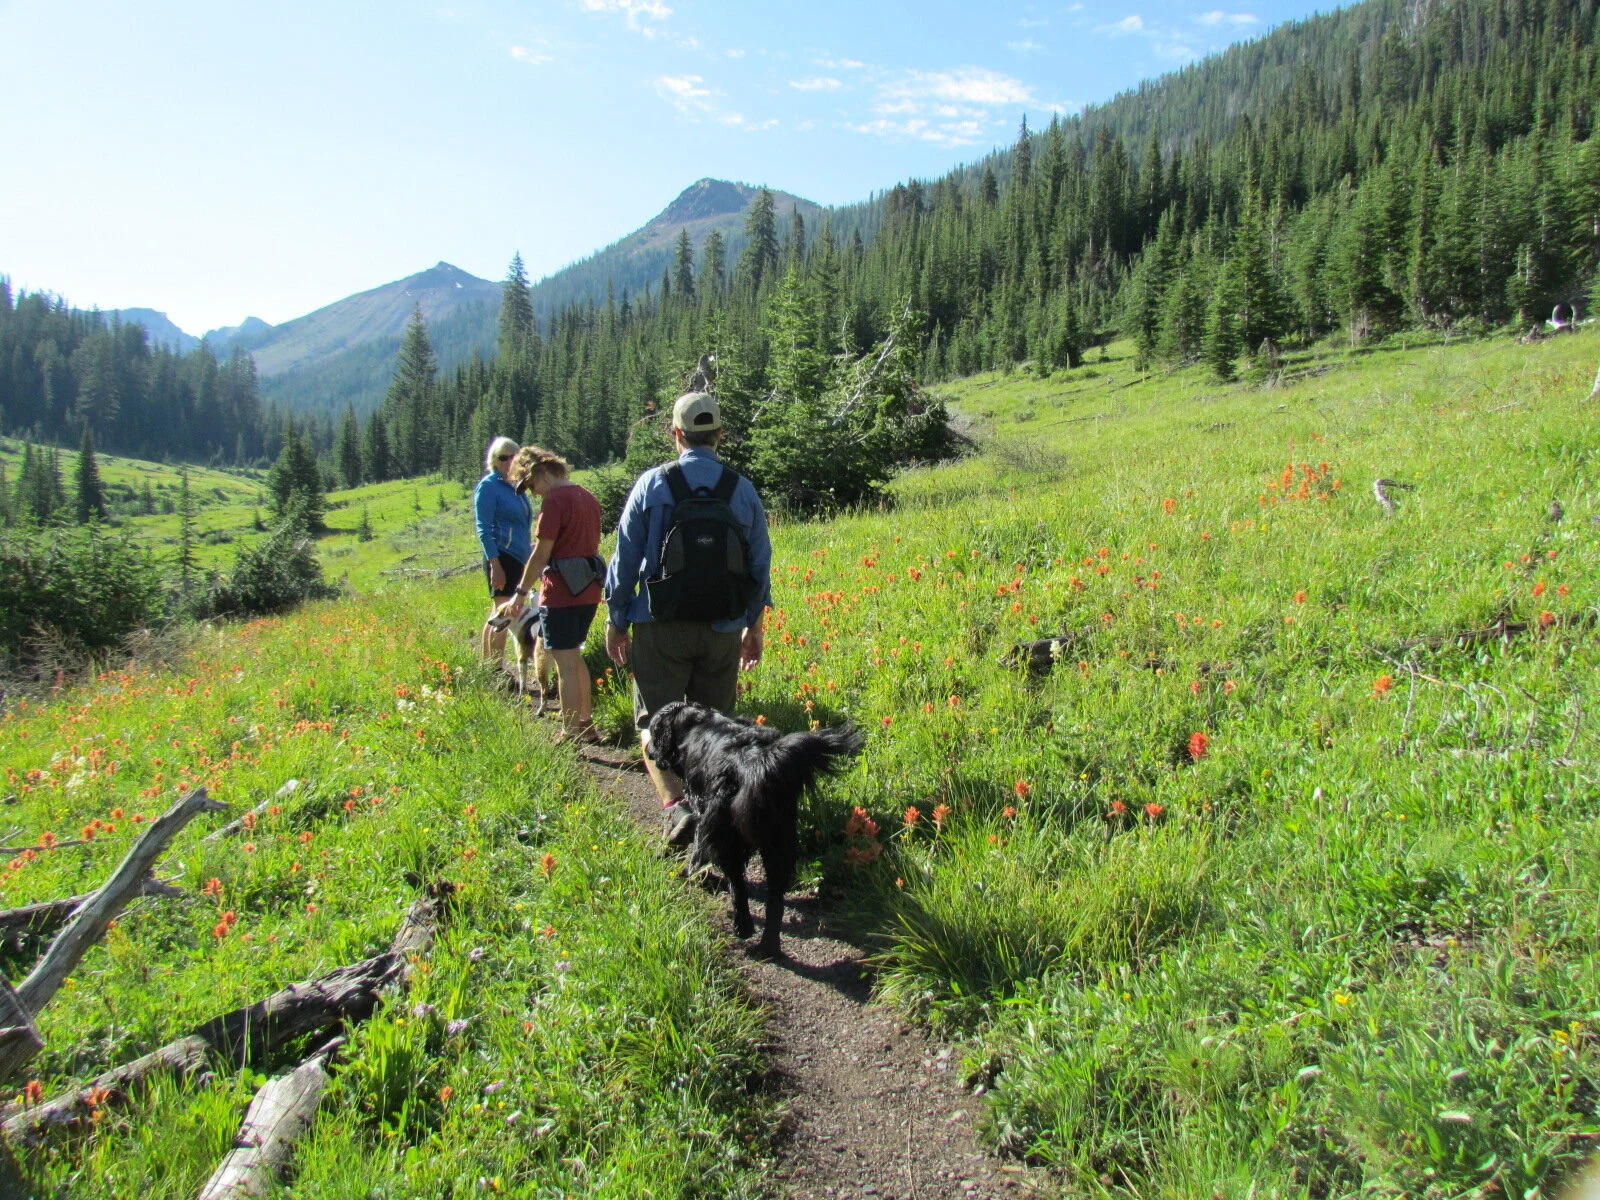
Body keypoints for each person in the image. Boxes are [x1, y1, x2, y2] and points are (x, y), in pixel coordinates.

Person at [604, 391, 772, 835]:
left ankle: (677, 810)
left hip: (660, 625)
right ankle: (714, 816)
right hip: (722, 628)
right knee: (715, 731)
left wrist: (616, 620)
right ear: (718, 434)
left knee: (653, 721)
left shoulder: (652, 485)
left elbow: (624, 561)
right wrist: (753, 627)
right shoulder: (742, 489)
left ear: (675, 433)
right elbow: (759, 566)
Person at [499, 446, 604, 743]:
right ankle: (586, 723)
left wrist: (519, 594)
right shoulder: (586, 495)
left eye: (530, 485)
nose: (532, 493)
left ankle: (569, 732)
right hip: (589, 589)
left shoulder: (555, 500)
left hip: (561, 592)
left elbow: (541, 553)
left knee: (565, 666)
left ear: (540, 473)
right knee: (576, 658)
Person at [473, 436, 532, 667]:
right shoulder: (489, 486)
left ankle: (489, 666)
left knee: (498, 611)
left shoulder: (516, 487)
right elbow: (483, 529)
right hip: (501, 556)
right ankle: (496, 668)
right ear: (494, 461)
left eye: (514, 456)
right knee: (505, 612)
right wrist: (494, 563)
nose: (509, 461)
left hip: (518, 556)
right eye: (503, 457)